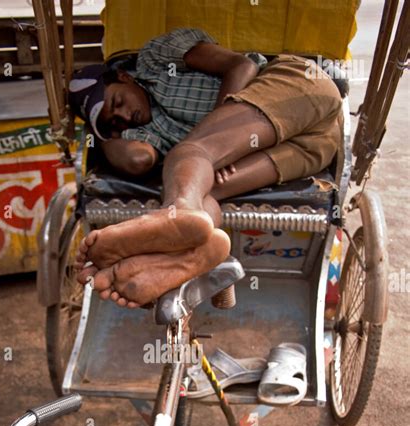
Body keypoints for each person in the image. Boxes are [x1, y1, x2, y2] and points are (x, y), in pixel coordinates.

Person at [72, 28, 342, 308]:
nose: (125, 115)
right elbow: (137, 160)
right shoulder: (144, 131)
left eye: (117, 102)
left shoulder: (154, 58)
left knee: (191, 152)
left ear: (124, 76)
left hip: (299, 91)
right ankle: (193, 256)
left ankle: (179, 210)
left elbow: (242, 65)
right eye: (114, 121)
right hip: (311, 146)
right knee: (205, 190)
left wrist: (217, 135)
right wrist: (102, 136)